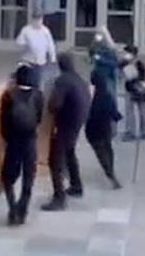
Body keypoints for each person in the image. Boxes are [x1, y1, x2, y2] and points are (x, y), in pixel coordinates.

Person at [41, 52, 90, 211]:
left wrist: (48, 107)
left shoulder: (62, 81)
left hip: (65, 123)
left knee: (55, 160)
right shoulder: (79, 79)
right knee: (69, 152)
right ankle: (76, 185)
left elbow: (55, 104)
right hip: (78, 121)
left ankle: (59, 198)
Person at [0, 64, 44, 226]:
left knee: (7, 178)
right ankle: (22, 210)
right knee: (28, 178)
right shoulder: (38, 95)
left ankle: (12, 209)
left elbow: (2, 122)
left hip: (13, 142)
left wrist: (5, 138)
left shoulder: (8, 95)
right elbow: (39, 118)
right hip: (30, 141)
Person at [85, 49, 123, 191]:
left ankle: (110, 173)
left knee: (101, 151)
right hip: (105, 127)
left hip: (93, 127)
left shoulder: (89, 94)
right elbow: (115, 114)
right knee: (108, 149)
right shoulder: (107, 96)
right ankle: (110, 171)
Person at [16, 12, 57, 83]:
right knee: (28, 79)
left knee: (38, 80)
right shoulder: (26, 30)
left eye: (40, 20)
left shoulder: (45, 31)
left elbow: (50, 45)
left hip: (41, 61)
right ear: (32, 20)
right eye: (36, 20)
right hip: (28, 60)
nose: (38, 22)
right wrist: (25, 44)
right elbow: (19, 42)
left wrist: (53, 57)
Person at [122, 46, 145, 141]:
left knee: (141, 110)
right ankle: (132, 131)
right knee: (130, 110)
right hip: (130, 88)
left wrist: (135, 79)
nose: (124, 55)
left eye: (126, 53)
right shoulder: (124, 63)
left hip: (137, 89)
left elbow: (142, 77)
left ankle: (143, 131)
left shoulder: (138, 64)